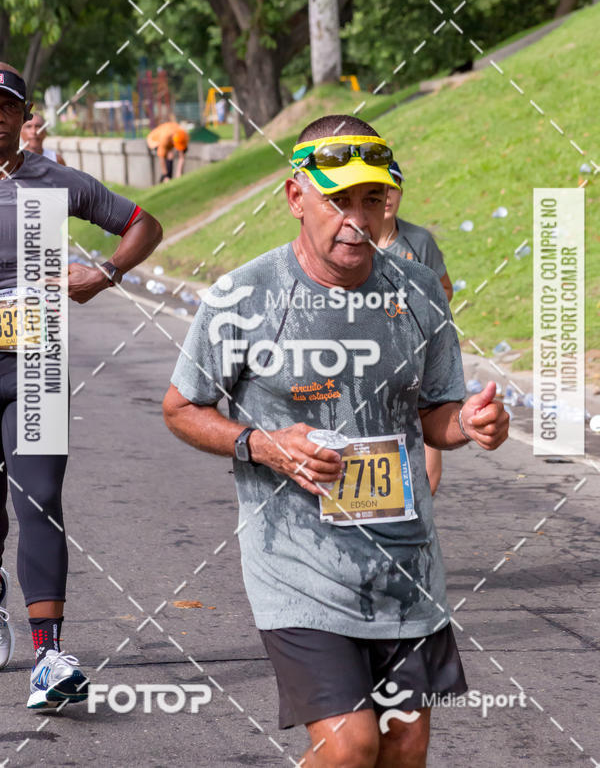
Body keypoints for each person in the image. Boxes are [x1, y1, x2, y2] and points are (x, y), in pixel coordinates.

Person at [163, 114, 508, 767]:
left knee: (405, 743)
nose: (357, 219)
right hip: (296, 564)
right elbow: (182, 407)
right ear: (297, 197)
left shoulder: (418, 294)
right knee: (350, 746)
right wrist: (262, 444)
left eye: (372, 200)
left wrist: (470, 423)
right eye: (338, 200)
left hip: (405, 563)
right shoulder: (243, 298)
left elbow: (436, 413)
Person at [0, 63, 163, 709]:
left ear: (23, 116)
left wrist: (107, 273)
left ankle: (48, 656)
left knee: (39, 498)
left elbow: (144, 223)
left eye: (6, 106)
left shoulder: (53, 182)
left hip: (35, 362)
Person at [375, 163, 452, 496]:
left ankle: (421, 508)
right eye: (380, 190)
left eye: (393, 188)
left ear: (401, 193)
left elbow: (444, 289)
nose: (387, 197)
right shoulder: (353, 239)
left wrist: (417, 315)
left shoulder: (419, 241)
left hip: (416, 351)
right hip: (369, 355)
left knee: (424, 422)